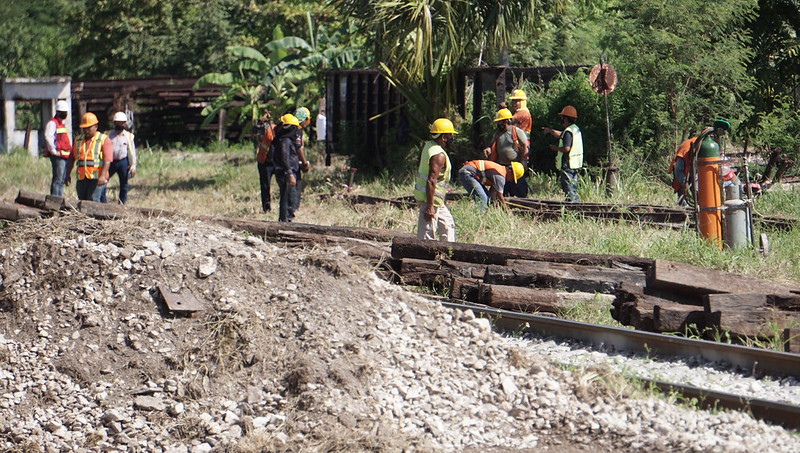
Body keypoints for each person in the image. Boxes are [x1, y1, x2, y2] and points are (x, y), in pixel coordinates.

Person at [413, 118, 457, 242]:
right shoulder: (439, 155)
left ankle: (449, 252)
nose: (451, 138)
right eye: (450, 135)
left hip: (436, 200)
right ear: (443, 137)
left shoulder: (429, 146)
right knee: (426, 235)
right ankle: (424, 258)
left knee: (447, 225)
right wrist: (430, 206)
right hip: (430, 200)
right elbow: (431, 180)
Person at [64, 112, 113, 202]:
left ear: (96, 127)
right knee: (82, 201)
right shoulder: (78, 139)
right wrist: (67, 174)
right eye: (84, 128)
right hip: (82, 178)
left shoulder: (103, 139)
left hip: (97, 178)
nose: (86, 130)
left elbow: (107, 160)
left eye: (89, 128)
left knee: (94, 201)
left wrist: (102, 176)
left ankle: (96, 216)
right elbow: (72, 158)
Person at [482, 108, 529, 197]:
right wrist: (488, 149)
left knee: (519, 190)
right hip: (502, 167)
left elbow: (525, 145)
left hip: (515, 167)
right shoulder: (497, 133)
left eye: (500, 122)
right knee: (504, 192)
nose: (498, 124)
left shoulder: (516, 131)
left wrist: (524, 161)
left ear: (506, 121)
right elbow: (492, 145)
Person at [543, 105, 583, 202]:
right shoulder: (575, 129)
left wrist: (555, 148)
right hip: (576, 163)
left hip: (568, 163)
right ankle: (574, 204)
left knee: (568, 187)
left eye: (562, 117)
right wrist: (551, 131)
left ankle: (572, 205)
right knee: (573, 186)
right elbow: (562, 135)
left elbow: (566, 148)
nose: (561, 120)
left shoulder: (568, 132)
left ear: (566, 118)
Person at [272, 114, 304, 222]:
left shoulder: (284, 140)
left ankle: (286, 219)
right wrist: (290, 173)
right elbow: (285, 158)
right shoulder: (285, 141)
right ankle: (285, 220)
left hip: (287, 171)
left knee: (288, 196)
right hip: (286, 172)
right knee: (288, 197)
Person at [100, 112, 137, 204]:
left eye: (122, 122)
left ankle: (122, 203)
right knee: (103, 181)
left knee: (124, 184)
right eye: (117, 122)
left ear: (125, 123)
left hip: (123, 161)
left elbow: (132, 152)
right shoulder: (108, 135)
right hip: (110, 161)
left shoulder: (129, 136)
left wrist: (133, 166)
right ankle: (103, 202)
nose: (120, 124)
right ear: (114, 123)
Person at [458, 159, 524, 209]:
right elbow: (499, 196)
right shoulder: (500, 177)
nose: (511, 180)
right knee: (482, 198)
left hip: (469, 173)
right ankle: (480, 217)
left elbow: (492, 193)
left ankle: (483, 214)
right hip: (467, 173)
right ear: (510, 171)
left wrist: (494, 204)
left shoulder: (500, 171)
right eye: (513, 177)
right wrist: (505, 209)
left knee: (487, 198)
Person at [43, 100, 72, 197]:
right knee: (58, 180)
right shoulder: (53, 123)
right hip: (58, 156)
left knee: (62, 179)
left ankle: (59, 200)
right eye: (63, 113)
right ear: (58, 112)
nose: (65, 114)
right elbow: (48, 137)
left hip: (64, 155)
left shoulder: (61, 124)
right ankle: (55, 201)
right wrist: (54, 151)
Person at [291, 107, 312, 214]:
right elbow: (298, 148)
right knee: (295, 185)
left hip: (283, 160)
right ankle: (293, 209)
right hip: (293, 161)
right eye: (307, 120)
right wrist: (304, 162)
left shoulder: (287, 127)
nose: (307, 123)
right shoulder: (297, 129)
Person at [255, 111, 276, 212]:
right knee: (265, 186)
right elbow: (256, 132)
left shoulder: (275, 128)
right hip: (265, 161)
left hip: (274, 161)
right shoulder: (261, 129)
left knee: (266, 185)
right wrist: (261, 121)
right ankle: (266, 207)